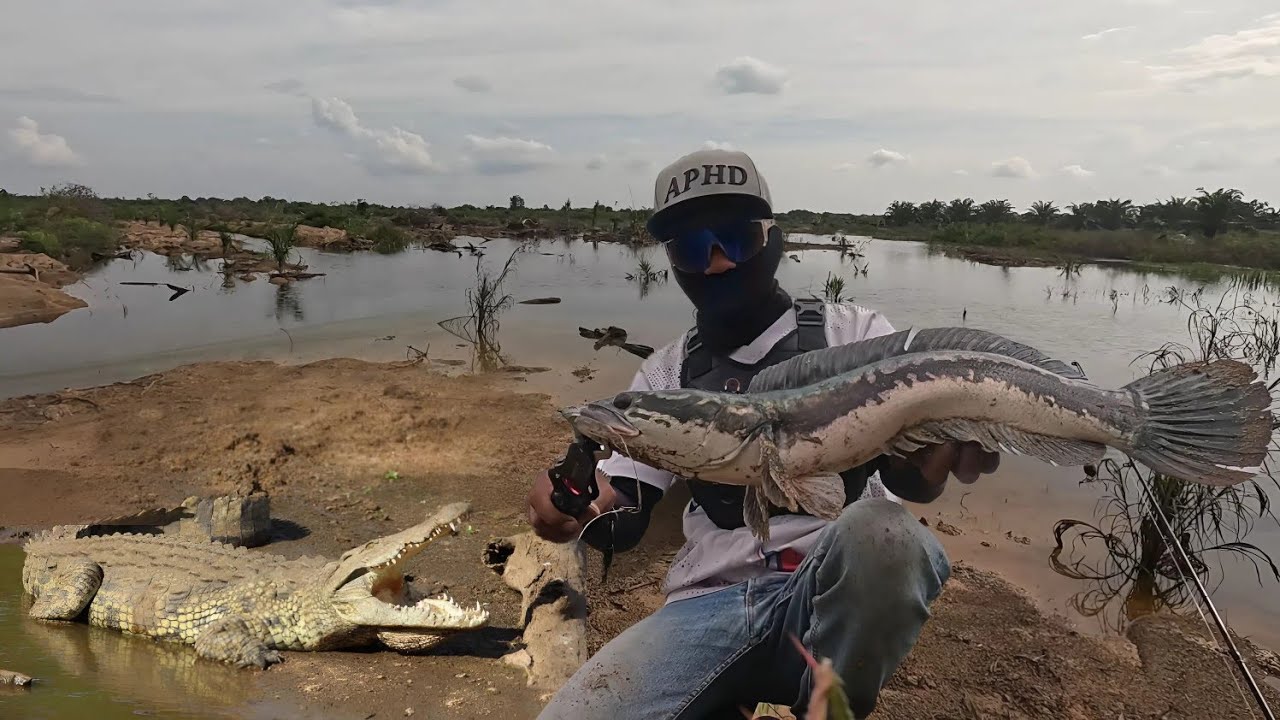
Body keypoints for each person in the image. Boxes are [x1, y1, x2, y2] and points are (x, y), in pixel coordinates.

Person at [526, 148, 1000, 719]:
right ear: (672, 260)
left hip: (828, 595)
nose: (717, 264)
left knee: (888, 533)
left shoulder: (857, 335)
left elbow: (913, 481)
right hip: (705, 603)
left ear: (773, 237)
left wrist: (932, 455)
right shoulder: (664, 373)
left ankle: (824, 705)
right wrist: (575, 509)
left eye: (735, 237)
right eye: (692, 247)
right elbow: (625, 502)